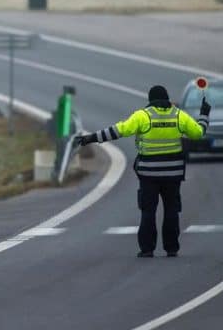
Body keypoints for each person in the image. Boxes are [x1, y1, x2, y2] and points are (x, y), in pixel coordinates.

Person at [76, 85, 211, 257]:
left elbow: (118, 131)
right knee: (171, 210)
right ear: (167, 98)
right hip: (173, 174)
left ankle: (147, 249)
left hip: (149, 175)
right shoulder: (178, 115)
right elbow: (198, 133)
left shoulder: (143, 116)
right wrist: (204, 115)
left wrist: (92, 138)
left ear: (150, 100)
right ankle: (172, 248)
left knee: (148, 211)